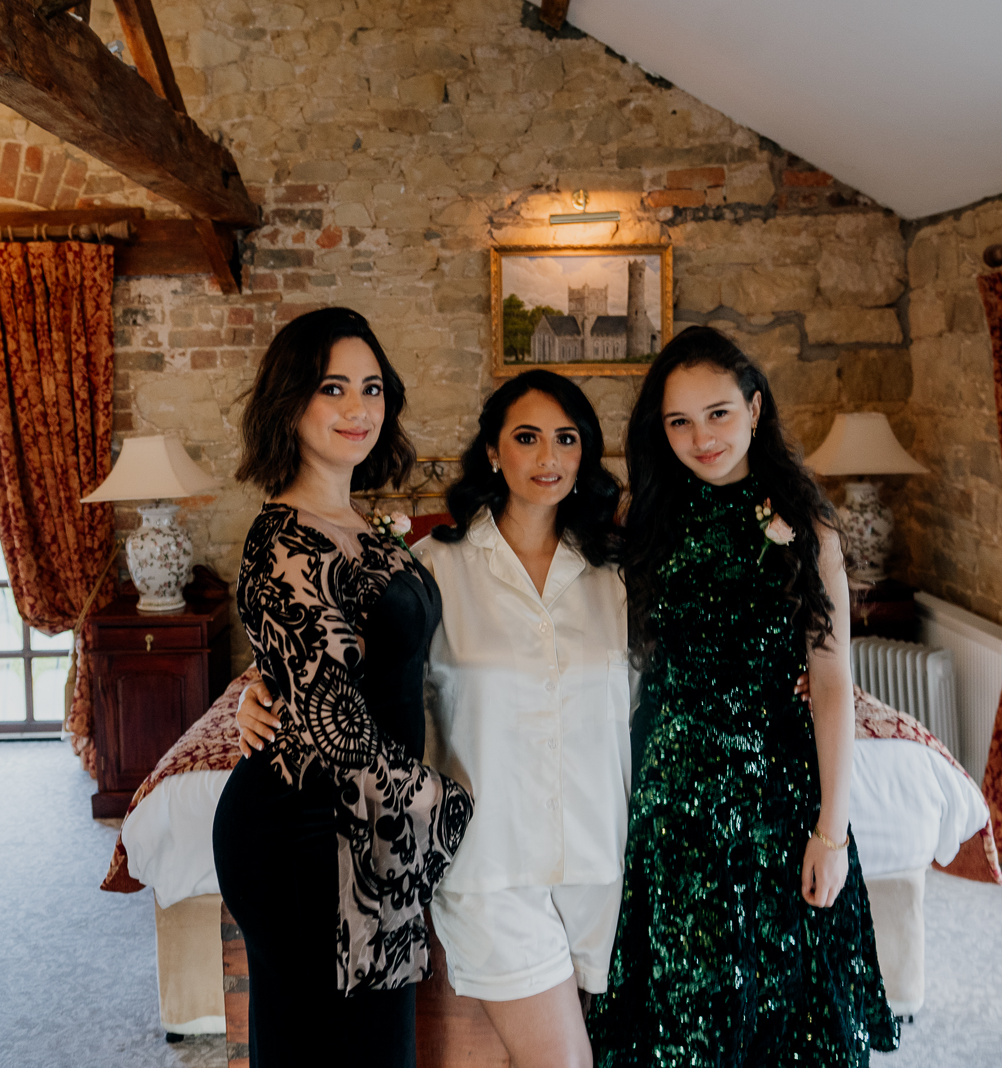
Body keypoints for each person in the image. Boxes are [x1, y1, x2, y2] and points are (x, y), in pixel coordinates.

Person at [241, 369, 631, 1068]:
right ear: (491, 452)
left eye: (567, 440)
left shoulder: (617, 575)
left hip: (598, 860)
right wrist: (257, 686)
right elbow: (338, 660)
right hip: (490, 863)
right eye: (527, 437)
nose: (548, 457)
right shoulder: (432, 567)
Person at [587, 325, 898, 1066]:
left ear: (755, 408)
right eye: (679, 422)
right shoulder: (646, 518)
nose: (702, 438)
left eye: (718, 413)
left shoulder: (808, 528)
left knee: (782, 998)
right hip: (672, 790)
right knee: (689, 1000)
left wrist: (833, 830)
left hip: (776, 790)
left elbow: (831, 680)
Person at [211, 307, 473, 1068]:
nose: (359, 409)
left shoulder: (357, 524)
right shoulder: (284, 535)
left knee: (376, 1050)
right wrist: (462, 813)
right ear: (291, 403)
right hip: (304, 832)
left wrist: (264, 680)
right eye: (334, 389)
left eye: (371, 388)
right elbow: (337, 725)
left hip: (364, 819)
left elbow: (335, 657)